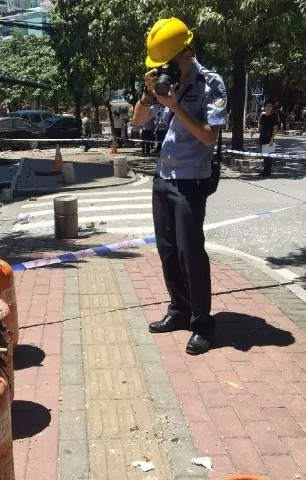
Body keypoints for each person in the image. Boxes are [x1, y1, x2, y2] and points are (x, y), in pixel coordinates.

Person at [132, 17, 227, 355]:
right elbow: (138, 121)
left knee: (191, 253)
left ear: (185, 53)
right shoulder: (165, 84)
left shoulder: (211, 83)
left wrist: (175, 107)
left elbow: (208, 137)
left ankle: (203, 325)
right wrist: (148, 95)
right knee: (168, 250)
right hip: (163, 176)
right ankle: (179, 310)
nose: (163, 69)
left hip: (191, 180)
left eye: (166, 62)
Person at [258, 100, 278, 177]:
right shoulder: (263, 116)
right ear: (264, 107)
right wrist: (255, 131)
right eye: (267, 106)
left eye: (270, 106)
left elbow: (275, 128)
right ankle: (265, 170)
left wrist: (272, 139)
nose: (268, 108)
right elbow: (260, 127)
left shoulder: (274, 116)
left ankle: (267, 172)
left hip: (269, 138)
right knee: (264, 156)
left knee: (268, 156)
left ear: (272, 108)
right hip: (262, 137)